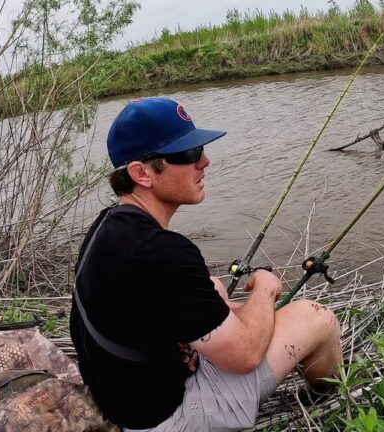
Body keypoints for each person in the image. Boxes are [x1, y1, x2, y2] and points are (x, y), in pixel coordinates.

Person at [69, 97, 342, 432]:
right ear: (141, 173)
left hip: (124, 400)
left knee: (214, 290)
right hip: (168, 419)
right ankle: (327, 399)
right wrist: (265, 289)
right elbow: (245, 356)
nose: (205, 161)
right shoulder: (163, 251)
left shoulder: (106, 226)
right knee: (316, 317)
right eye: (188, 154)